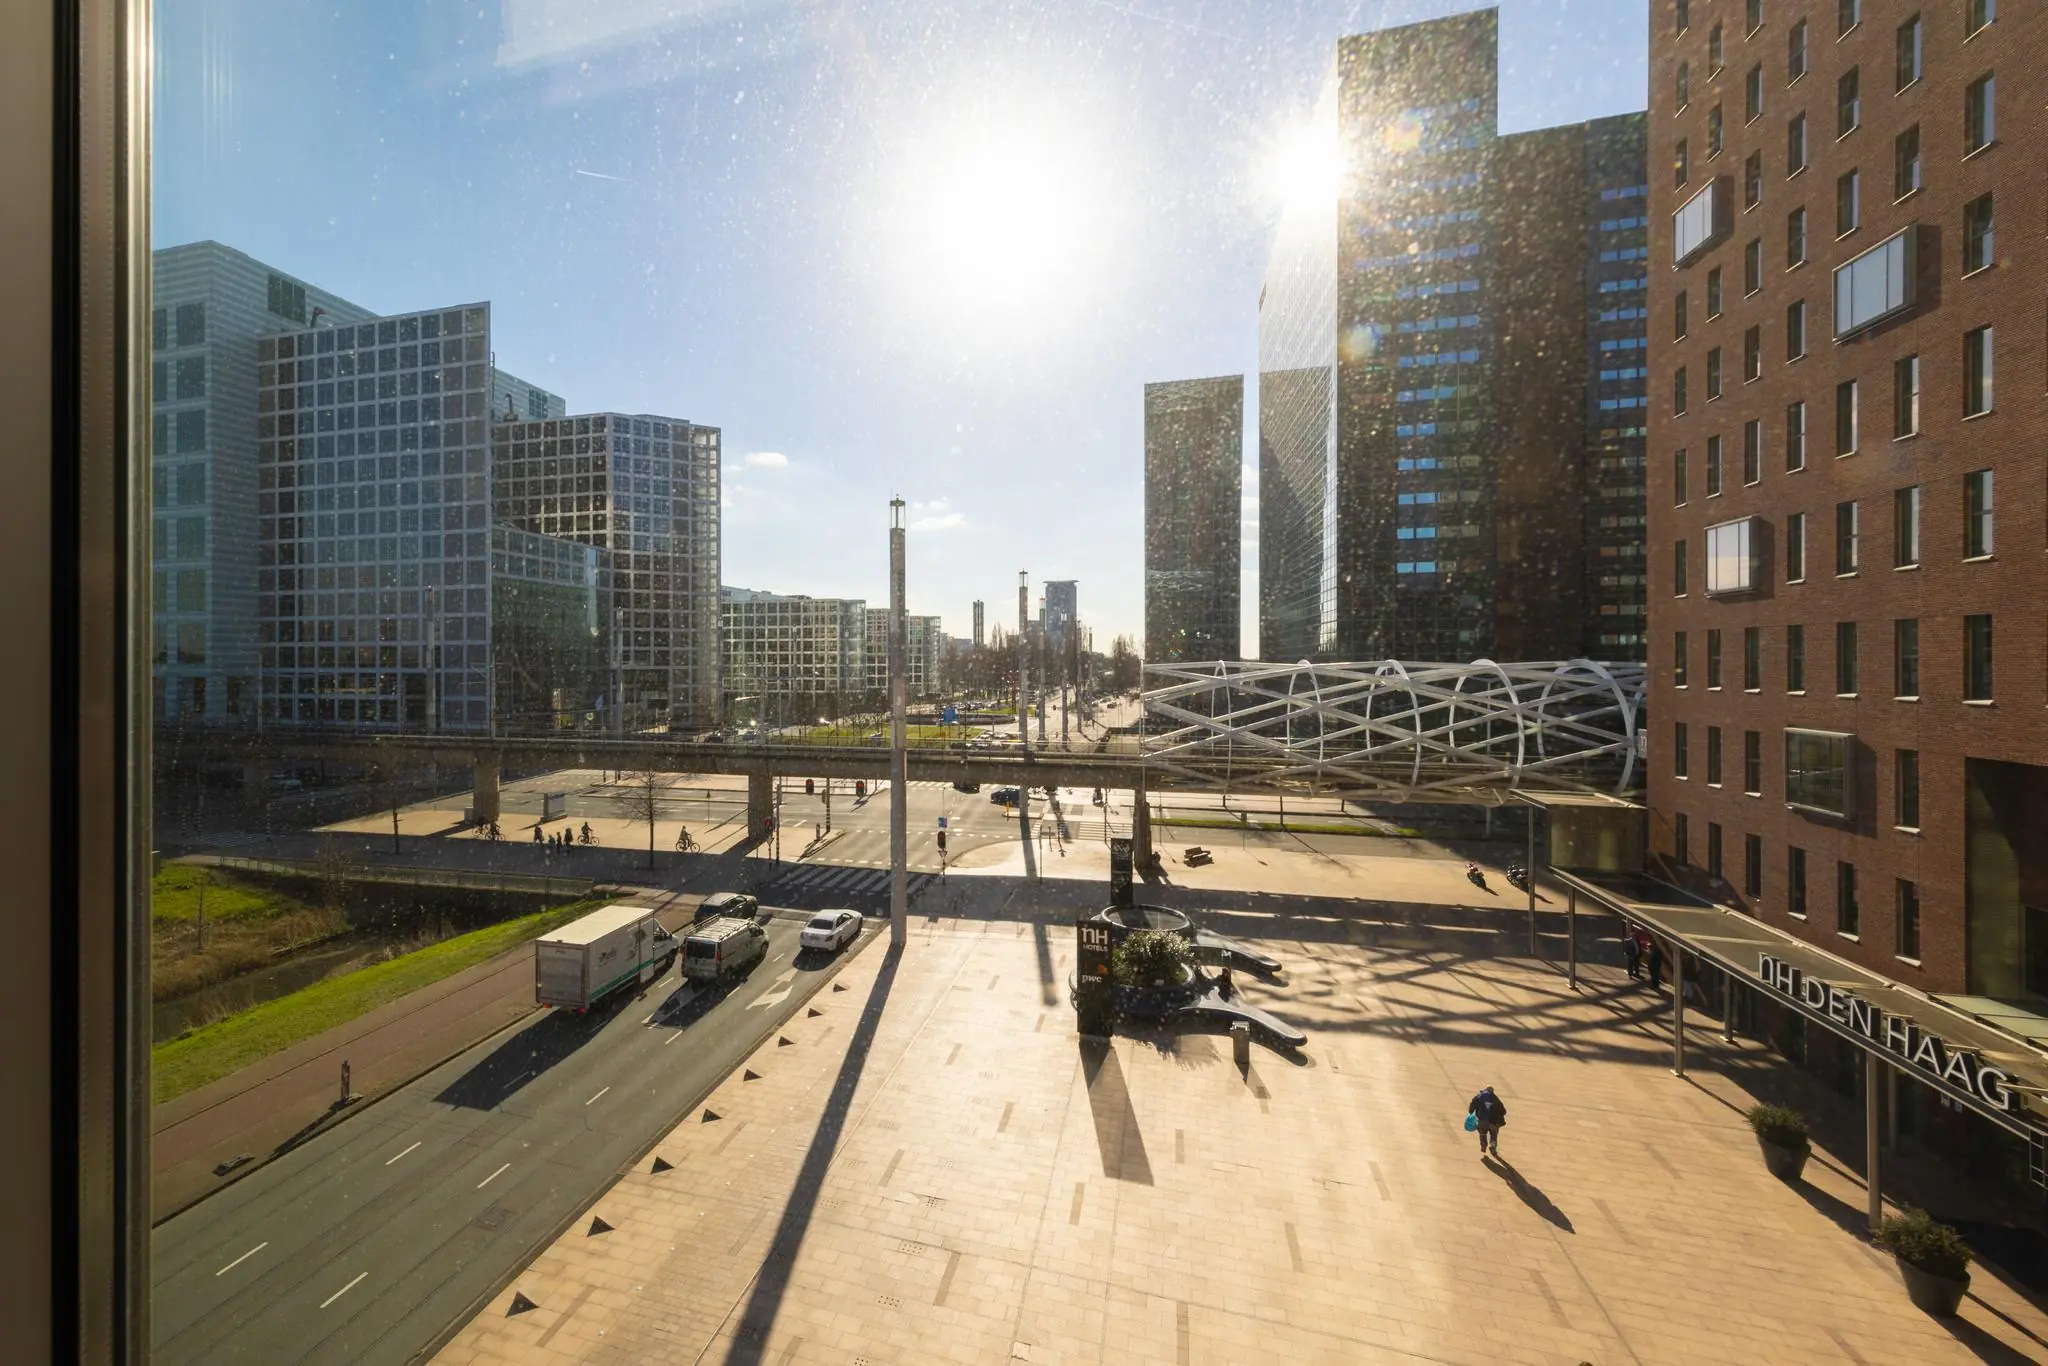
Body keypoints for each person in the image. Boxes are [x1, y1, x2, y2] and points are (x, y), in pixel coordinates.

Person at [1468, 1086, 1506, 1157]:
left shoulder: (1479, 1097)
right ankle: (1492, 1147)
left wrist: (1471, 1112)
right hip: (1493, 1122)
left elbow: (1472, 1104)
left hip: (1482, 1120)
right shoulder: (1495, 1099)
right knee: (1493, 1135)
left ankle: (1483, 1146)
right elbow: (1503, 1111)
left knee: (1482, 1133)